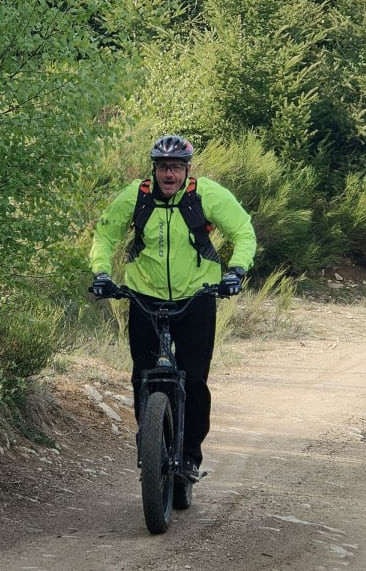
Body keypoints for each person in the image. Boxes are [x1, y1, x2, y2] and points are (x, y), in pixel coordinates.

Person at [89, 134, 256, 480]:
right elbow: (105, 234)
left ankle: (190, 456)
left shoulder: (205, 195)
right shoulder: (137, 196)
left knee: (193, 379)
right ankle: (151, 445)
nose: (169, 174)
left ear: (187, 170)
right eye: (164, 167)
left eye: (176, 168)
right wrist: (101, 273)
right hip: (144, 297)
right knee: (142, 375)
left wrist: (236, 271)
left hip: (197, 297)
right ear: (154, 169)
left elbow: (243, 230)